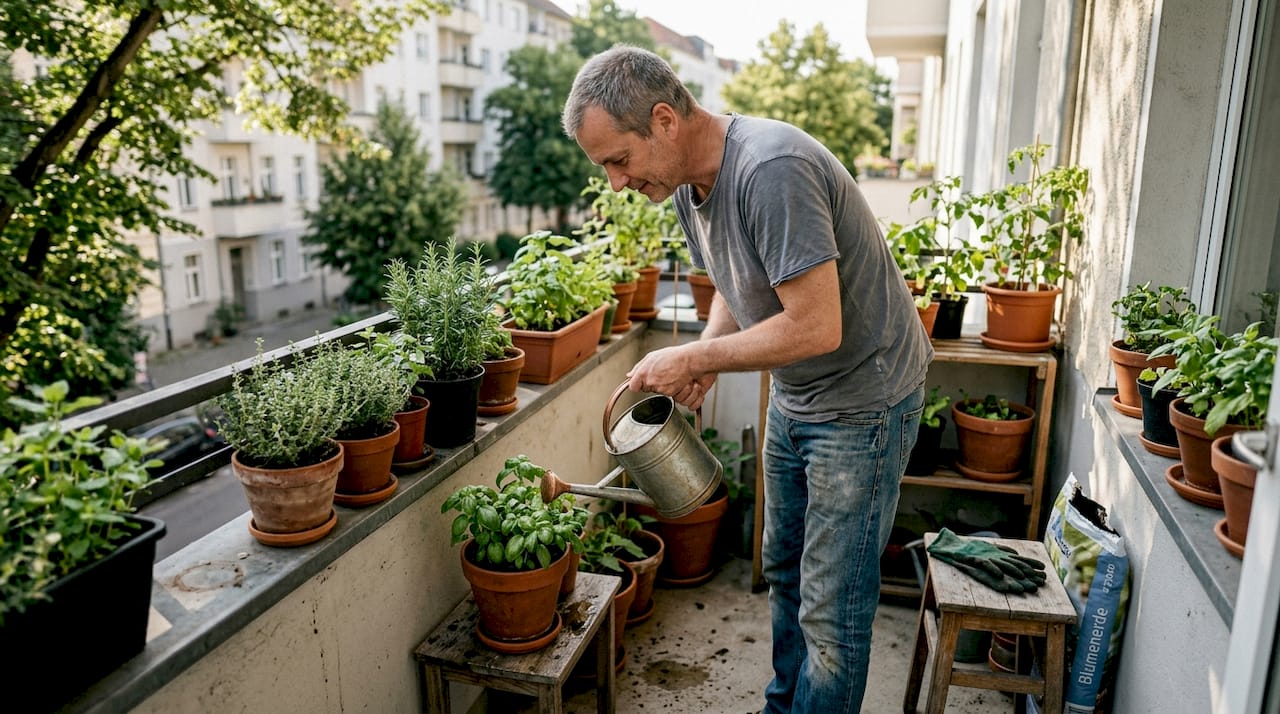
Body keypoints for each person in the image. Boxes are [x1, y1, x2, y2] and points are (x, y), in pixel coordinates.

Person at [563, 46, 933, 713]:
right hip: (799, 393)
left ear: (666, 120)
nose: (617, 183)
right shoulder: (685, 185)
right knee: (785, 573)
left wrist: (695, 361)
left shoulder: (771, 169)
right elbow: (738, 274)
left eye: (619, 160)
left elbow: (819, 327)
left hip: (864, 400)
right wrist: (709, 344)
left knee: (831, 611)